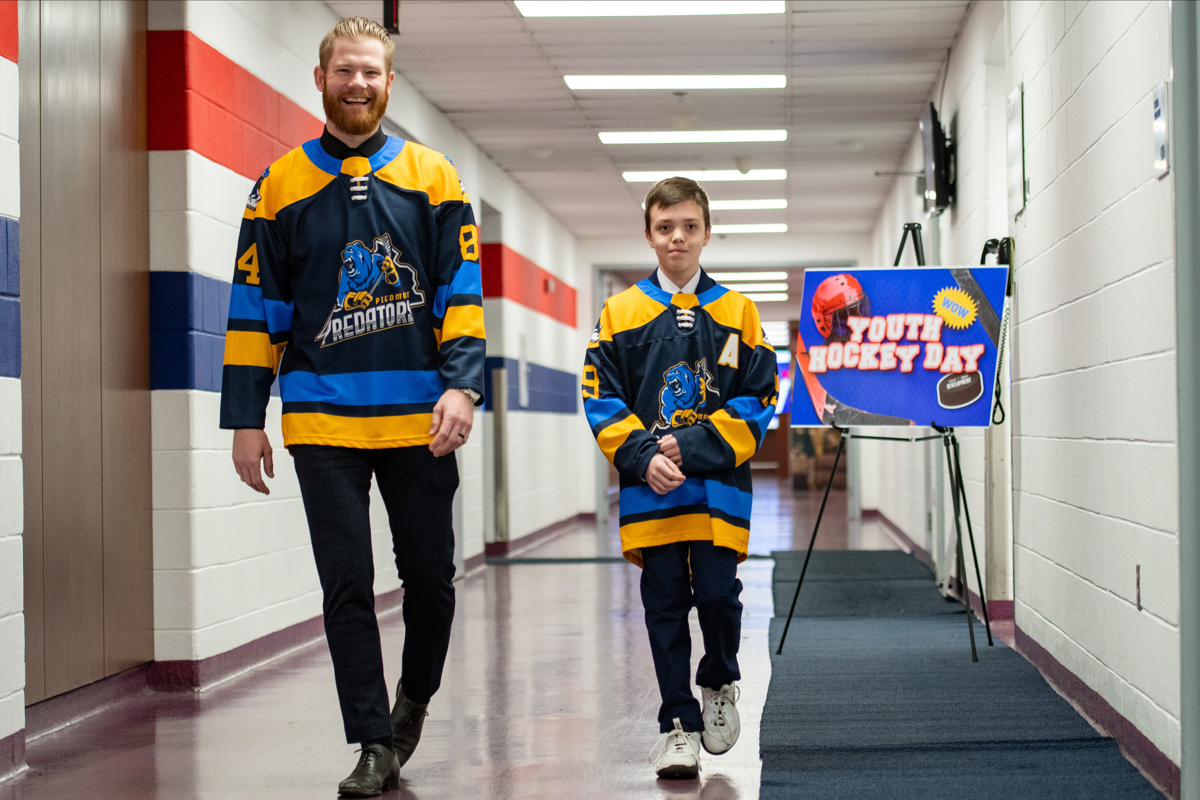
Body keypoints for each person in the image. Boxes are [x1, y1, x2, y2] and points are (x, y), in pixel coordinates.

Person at [219, 17, 484, 797]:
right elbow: (252, 308)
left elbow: (461, 295)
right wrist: (246, 417)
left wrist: (462, 386)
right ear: (321, 78)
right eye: (345, 72)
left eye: (372, 72)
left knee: (431, 580)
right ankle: (372, 740)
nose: (358, 84)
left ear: (389, 82)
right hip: (321, 419)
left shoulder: (436, 178)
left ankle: (414, 703)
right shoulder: (277, 186)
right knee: (346, 584)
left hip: (419, 420)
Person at [582, 177, 778, 779]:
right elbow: (599, 396)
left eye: (689, 226)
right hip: (652, 490)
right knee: (663, 604)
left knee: (718, 597)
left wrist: (688, 446)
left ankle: (719, 680)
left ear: (707, 233)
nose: (677, 238)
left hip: (718, 490)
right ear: (648, 235)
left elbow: (761, 396)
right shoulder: (620, 312)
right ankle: (676, 725)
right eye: (665, 227)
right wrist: (643, 458)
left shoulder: (738, 311)